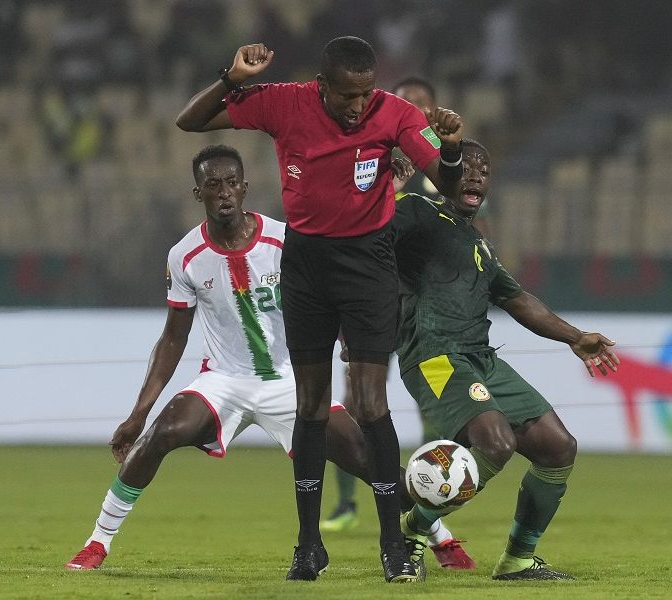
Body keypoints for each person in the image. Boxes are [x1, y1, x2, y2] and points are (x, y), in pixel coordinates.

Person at [64, 145, 449, 573]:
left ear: (245, 188)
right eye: (213, 185)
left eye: (232, 183)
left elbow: (330, 292)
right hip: (224, 379)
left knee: (365, 457)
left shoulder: (285, 240)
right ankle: (97, 542)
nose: (224, 193)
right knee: (163, 431)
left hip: (292, 379)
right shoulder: (185, 255)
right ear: (199, 194)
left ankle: (438, 536)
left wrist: (344, 337)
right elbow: (173, 338)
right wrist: (139, 412)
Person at [176, 37, 465, 583]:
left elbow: (446, 183)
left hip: (369, 266)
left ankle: (393, 547)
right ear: (323, 86)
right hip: (306, 264)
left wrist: (448, 146)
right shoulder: (286, 102)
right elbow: (191, 121)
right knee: (310, 406)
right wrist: (232, 77)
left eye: (366, 93)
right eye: (347, 95)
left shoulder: (396, 114)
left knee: (370, 404)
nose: (359, 106)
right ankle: (308, 548)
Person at [392, 139, 621, 580]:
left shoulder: (480, 246)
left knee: (558, 447)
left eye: (485, 169)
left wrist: (575, 338)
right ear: (444, 174)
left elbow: (519, 300)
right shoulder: (418, 211)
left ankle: (517, 558)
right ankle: (412, 532)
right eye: (466, 167)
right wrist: (388, 194)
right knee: (496, 443)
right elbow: (371, 238)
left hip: (481, 360)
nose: (476, 175)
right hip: (435, 356)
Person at [321, 74, 475, 571]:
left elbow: (468, 228)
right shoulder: (376, 159)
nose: (411, 110)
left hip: (422, 311)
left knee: (426, 403)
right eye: (403, 102)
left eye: (420, 104)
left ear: (433, 110)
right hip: (372, 299)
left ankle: (435, 488)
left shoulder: (446, 171)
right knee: (361, 401)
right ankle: (349, 504)